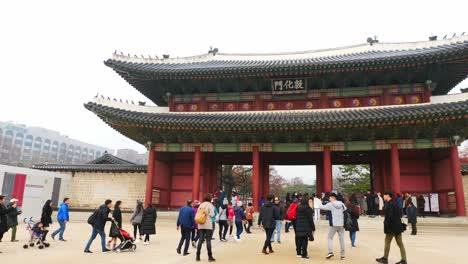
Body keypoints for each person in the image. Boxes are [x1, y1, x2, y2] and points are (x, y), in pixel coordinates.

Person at [376, 191, 407, 264]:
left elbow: (389, 217)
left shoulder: (390, 204)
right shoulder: (395, 203)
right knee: (400, 243)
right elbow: (399, 214)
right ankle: (404, 259)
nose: (383, 197)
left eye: (384, 195)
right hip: (398, 226)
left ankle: (385, 258)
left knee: (387, 241)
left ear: (388, 195)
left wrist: (386, 224)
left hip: (391, 227)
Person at [320, 193, 346, 260]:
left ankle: (330, 252)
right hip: (341, 223)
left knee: (330, 238)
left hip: (334, 223)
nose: (329, 199)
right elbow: (345, 209)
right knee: (341, 239)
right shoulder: (342, 204)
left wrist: (320, 201)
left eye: (330, 198)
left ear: (333, 197)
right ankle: (342, 255)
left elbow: (322, 207)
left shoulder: (330, 204)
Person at [196, 193, 216, 262]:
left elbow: (198, 213)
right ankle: (210, 256)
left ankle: (197, 256)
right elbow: (212, 214)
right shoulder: (210, 205)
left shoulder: (201, 204)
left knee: (200, 240)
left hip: (201, 224)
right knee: (208, 240)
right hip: (207, 224)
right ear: (210, 198)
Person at [295, 195, 315, 259]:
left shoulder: (298, 207)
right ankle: (304, 254)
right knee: (304, 240)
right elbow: (310, 219)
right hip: (306, 226)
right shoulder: (308, 209)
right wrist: (313, 227)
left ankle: (298, 253)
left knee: (299, 240)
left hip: (298, 225)